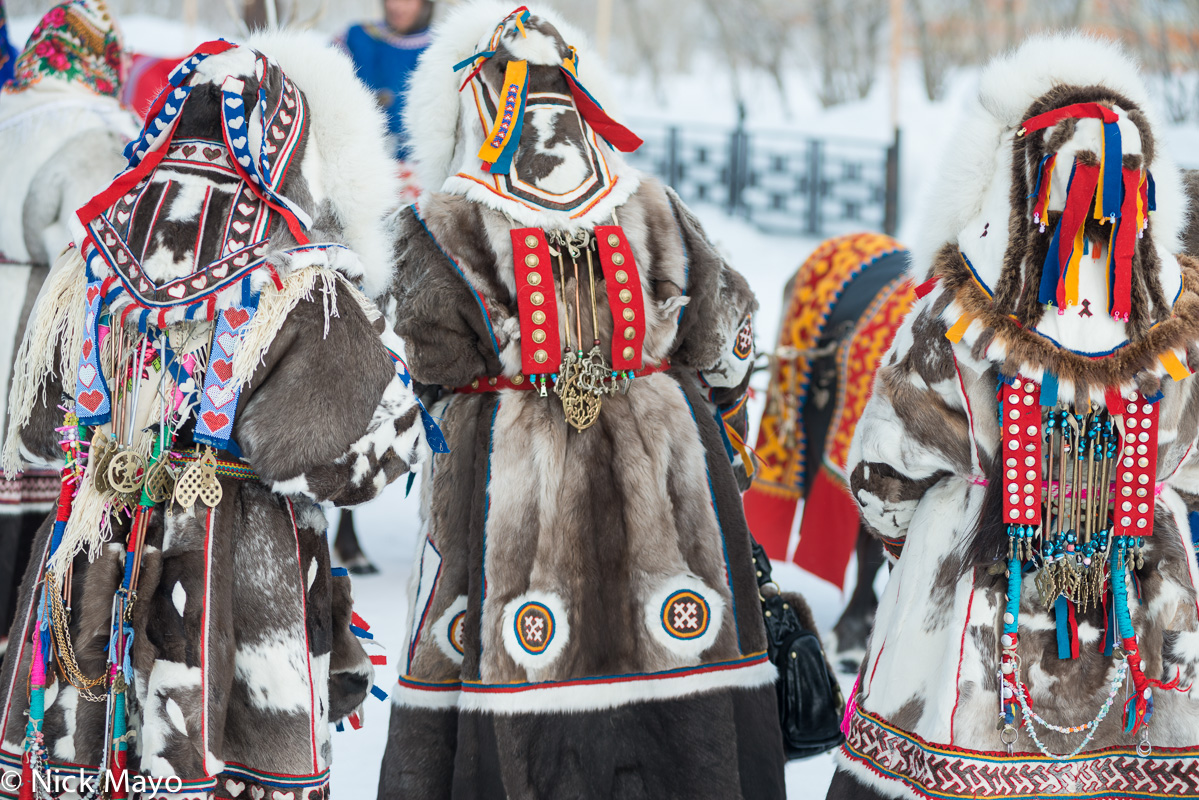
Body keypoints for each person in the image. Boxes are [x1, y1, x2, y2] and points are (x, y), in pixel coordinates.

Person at [0, 31, 429, 799]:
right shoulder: (300, 277)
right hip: (234, 598)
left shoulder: (89, 255)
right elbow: (361, 463)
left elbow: (37, 432)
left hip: (91, 569)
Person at [376, 3, 786, 798]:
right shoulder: (655, 204)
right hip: (666, 490)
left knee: (519, 689)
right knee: (681, 699)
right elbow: (728, 342)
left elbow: (429, 367)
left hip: (512, 498)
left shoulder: (435, 226)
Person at [829, 34, 1199, 799]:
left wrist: (917, 546)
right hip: (1141, 618)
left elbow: (883, 475)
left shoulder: (952, 320)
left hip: (973, 623)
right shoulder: (1180, 333)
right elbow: (1189, 473)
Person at [0, 0, 139, 663]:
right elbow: (99, 251)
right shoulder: (95, 131)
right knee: (40, 491)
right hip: (44, 329)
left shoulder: (7, 111)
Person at [342, 0, 435, 161]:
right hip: (360, 159)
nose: (396, 6)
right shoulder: (357, 37)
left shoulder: (440, 47)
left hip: (421, 166)